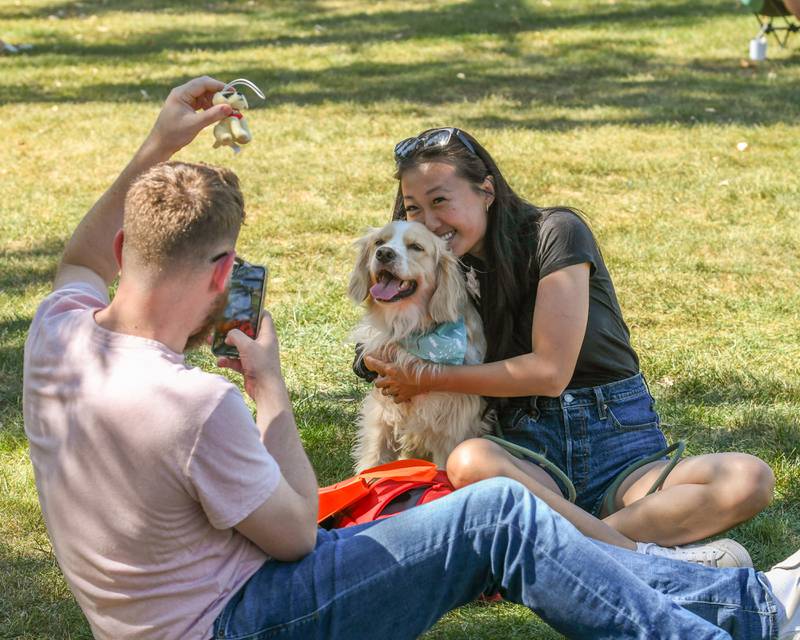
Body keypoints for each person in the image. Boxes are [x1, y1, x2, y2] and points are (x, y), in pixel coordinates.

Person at [22, 77, 800, 640]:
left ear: (128, 250)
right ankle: (748, 616)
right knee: (497, 516)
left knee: (497, 517)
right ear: (226, 275)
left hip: (170, 613)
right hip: (246, 619)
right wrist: (269, 392)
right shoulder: (194, 406)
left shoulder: (57, 336)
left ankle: (748, 604)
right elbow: (295, 535)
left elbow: (79, 260)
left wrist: (162, 143)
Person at [361, 127, 775, 567]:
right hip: (527, 450)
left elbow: (551, 372)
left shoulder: (556, 232)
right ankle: (641, 556)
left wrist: (424, 377)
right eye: (413, 208)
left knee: (749, 478)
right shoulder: (438, 266)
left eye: (440, 201)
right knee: (469, 461)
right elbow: (389, 330)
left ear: (486, 191)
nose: (428, 221)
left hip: (617, 443)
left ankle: (590, 547)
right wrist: (374, 362)